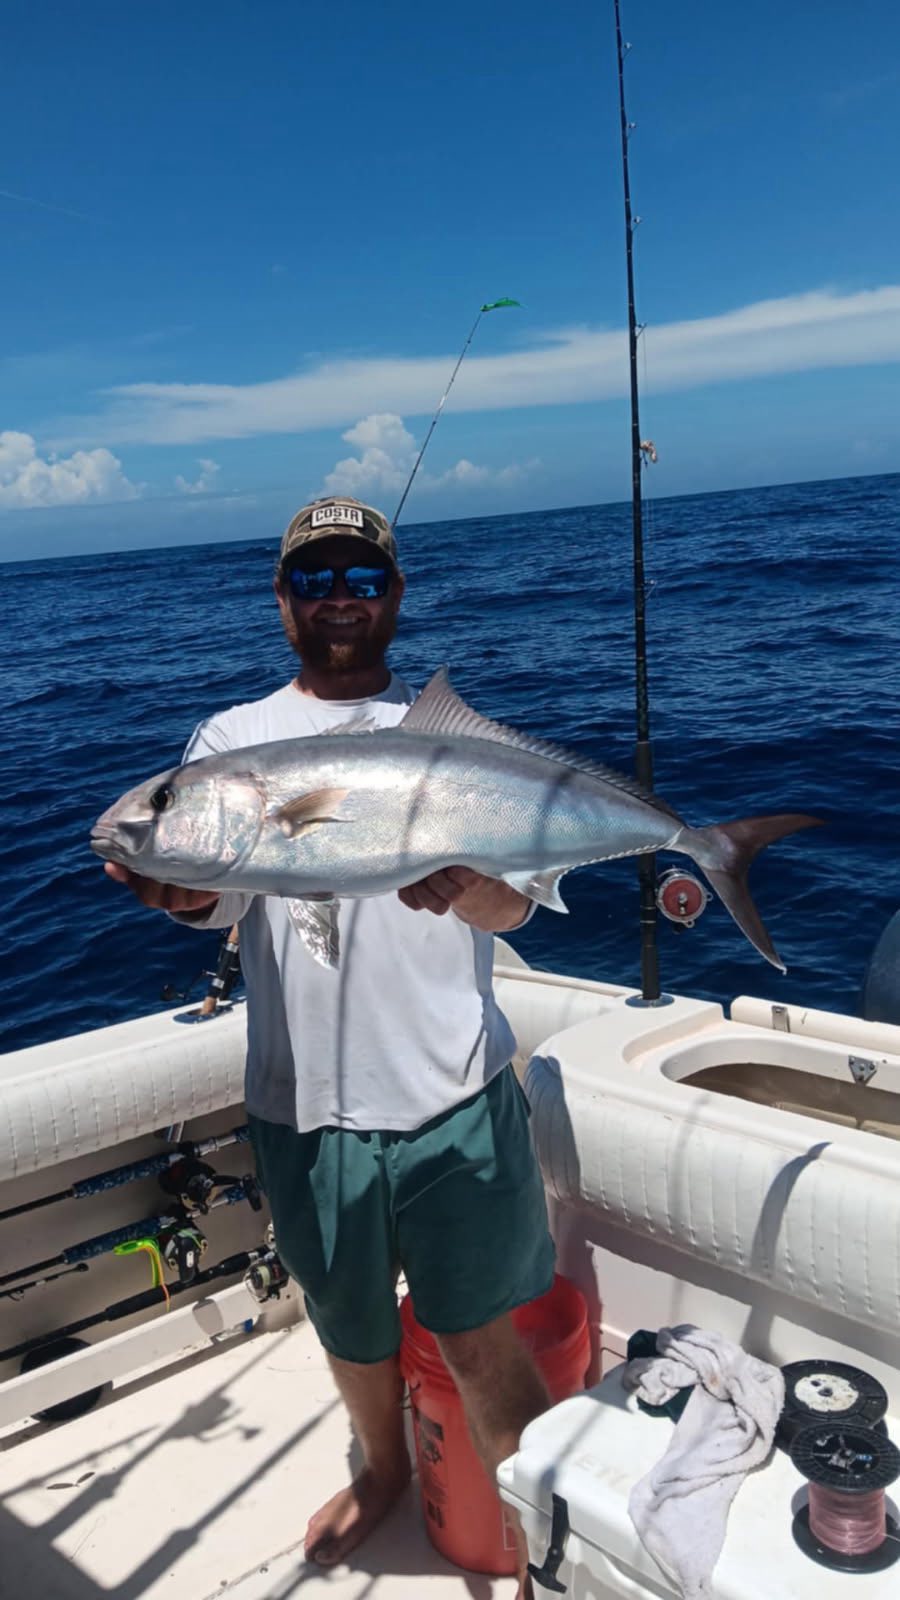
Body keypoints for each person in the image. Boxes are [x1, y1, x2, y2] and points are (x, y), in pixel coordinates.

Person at [104, 495, 555, 1597]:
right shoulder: (230, 745)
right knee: (350, 1326)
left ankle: (550, 1541)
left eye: (360, 578)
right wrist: (174, 888)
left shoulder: (448, 738)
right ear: (282, 601)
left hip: (454, 1095)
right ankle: (385, 1467)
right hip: (302, 1105)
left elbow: (514, 913)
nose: (338, 600)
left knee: (482, 1336)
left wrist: (478, 887)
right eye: (315, 580)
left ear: (393, 597)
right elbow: (210, 902)